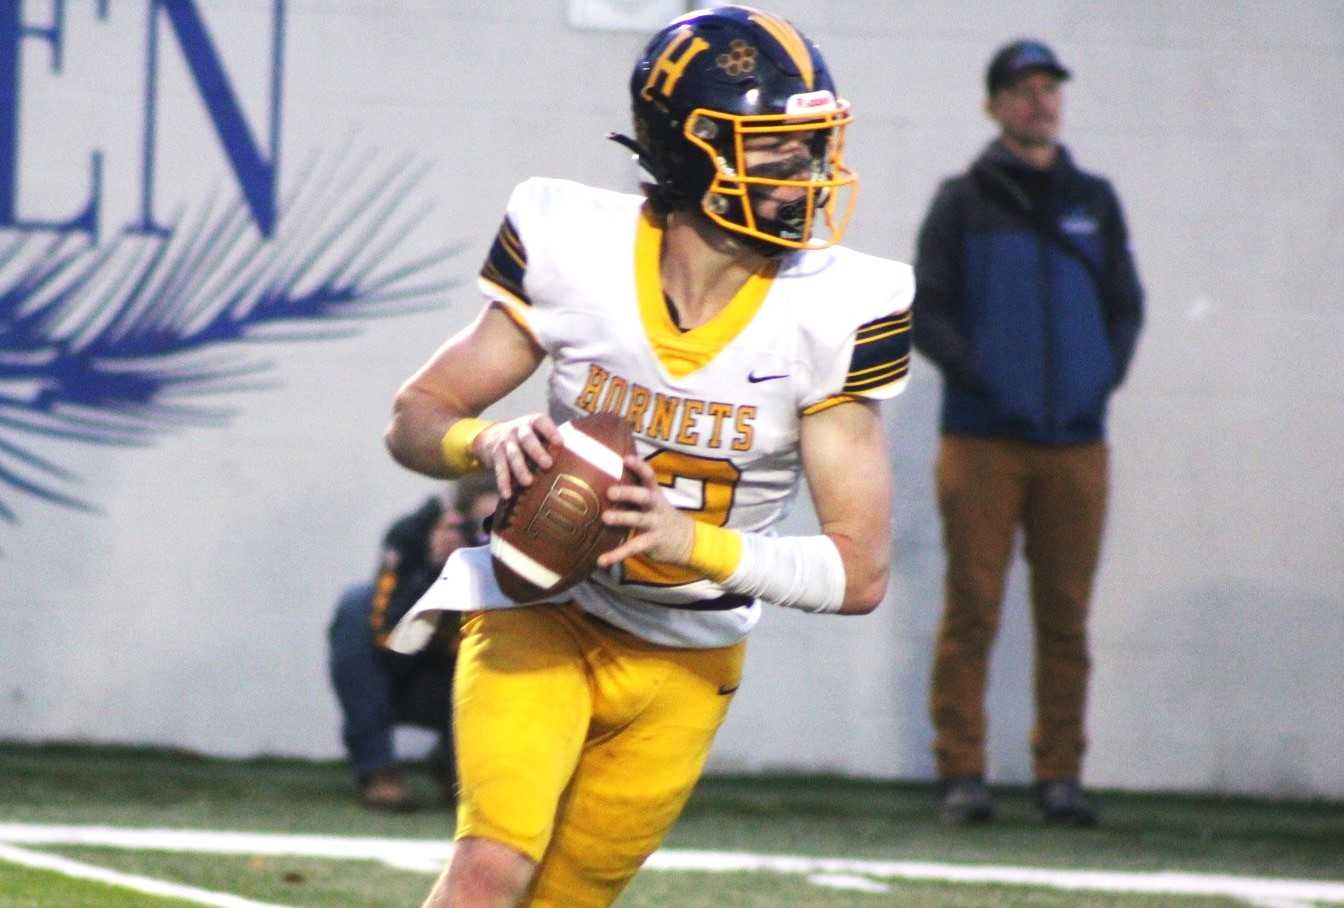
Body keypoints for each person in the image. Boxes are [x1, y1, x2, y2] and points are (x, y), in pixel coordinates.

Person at [381, 6, 913, 906]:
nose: (807, 174)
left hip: (689, 656)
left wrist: (686, 541)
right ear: (688, 151)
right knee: (489, 866)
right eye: (774, 148)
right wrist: (488, 438)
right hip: (541, 609)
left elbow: (859, 572)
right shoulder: (576, 246)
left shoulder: (838, 306)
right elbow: (416, 417)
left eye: (811, 146)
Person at [912, 38, 1144, 827]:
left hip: (1078, 443)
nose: (1039, 101)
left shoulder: (1096, 202)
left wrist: (1093, 382)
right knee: (972, 606)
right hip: (981, 439)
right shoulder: (961, 201)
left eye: (1049, 88)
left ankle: (1060, 777)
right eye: (1022, 89)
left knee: (1066, 616)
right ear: (994, 105)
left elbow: (1125, 308)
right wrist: (989, 381)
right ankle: (962, 772)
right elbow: (927, 311)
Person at [327, 476, 498, 810]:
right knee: (355, 605)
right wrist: (435, 575)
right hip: (402, 674)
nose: (487, 538)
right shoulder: (411, 536)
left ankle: (462, 767)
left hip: (470, 682)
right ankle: (377, 769)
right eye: (479, 526)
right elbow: (392, 642)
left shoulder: (523, 552)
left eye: (496, 526)